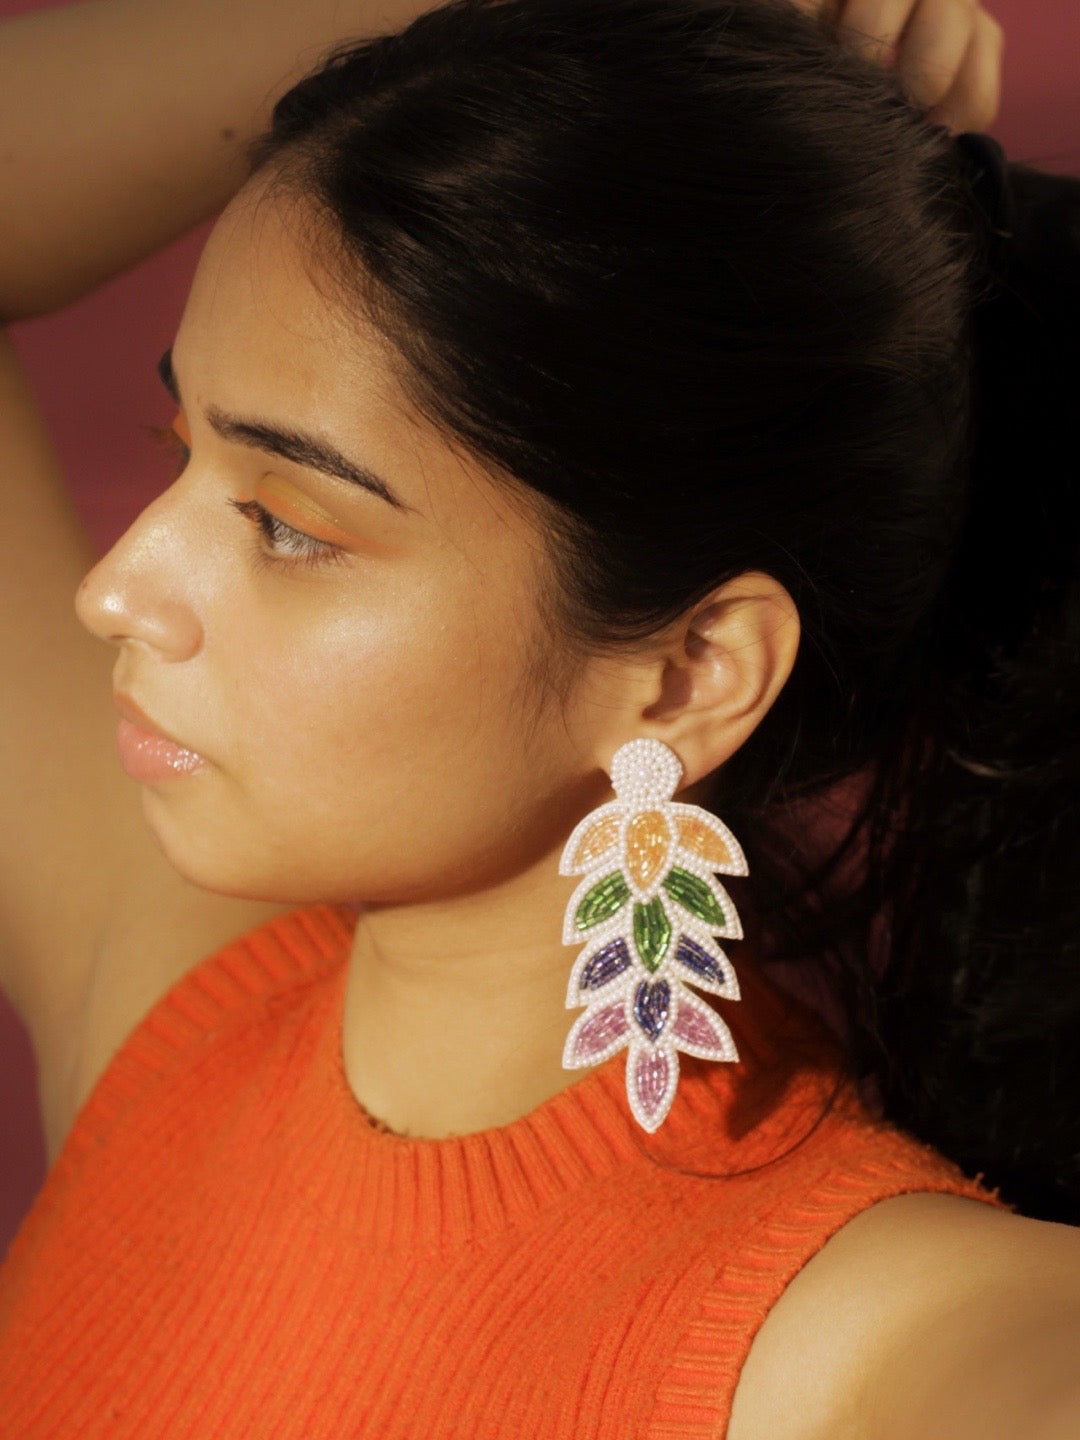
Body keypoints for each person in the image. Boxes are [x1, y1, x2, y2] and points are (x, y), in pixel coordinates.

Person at [0, 0, 1077, 1434]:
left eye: (287, 523)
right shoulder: (174, 1022)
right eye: (177, 448)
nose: (119, 590)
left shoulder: (909, 1350)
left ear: (689, 671)